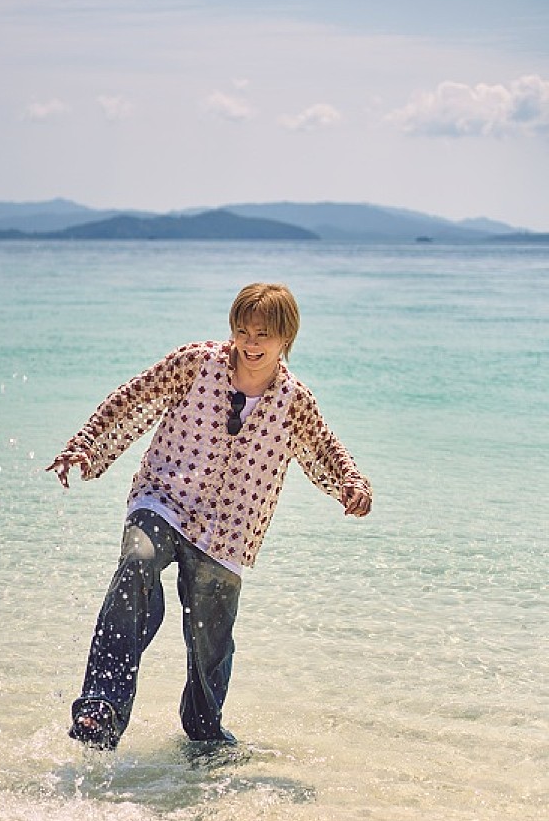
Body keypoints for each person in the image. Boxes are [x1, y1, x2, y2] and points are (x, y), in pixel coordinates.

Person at [47, 282, 372, 749]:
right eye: (243, 331)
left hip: (228, 531)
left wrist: (350, 483)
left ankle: (204, 736)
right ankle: (101, 709)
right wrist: (86, 444)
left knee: (210, 645)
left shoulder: (294, 400)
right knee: (137, 564)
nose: (250, 343)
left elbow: (323, 447)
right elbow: (134, 398)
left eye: (263, 334)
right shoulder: (196, 363)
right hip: (162, 500)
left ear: (286, 338)